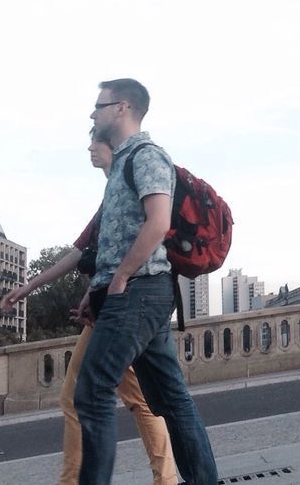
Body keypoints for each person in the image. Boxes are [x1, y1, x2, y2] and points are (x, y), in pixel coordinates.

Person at [2, 135, 177, 485]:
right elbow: (84, 254)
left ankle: (91, 480)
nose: (90, 149)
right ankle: (165, 477)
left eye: (96, 143)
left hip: (124, 308)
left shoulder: (128, 187)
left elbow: (120, 251)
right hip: (113, 308)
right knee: (135, 398)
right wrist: (32, 288)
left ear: (114, 148)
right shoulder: (111, 200)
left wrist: (114, 285)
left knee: (90, 397)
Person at [75, 79, 218, 485]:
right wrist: (95, 289)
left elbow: (159, 223)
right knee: (171, 400)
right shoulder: (121, 164)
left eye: (98, 106)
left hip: (141, 290)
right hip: (133, 290)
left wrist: (119, 278)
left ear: (121, 108)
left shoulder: (147, 155)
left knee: (92, 390)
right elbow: (113, 238)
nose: (92, 114)